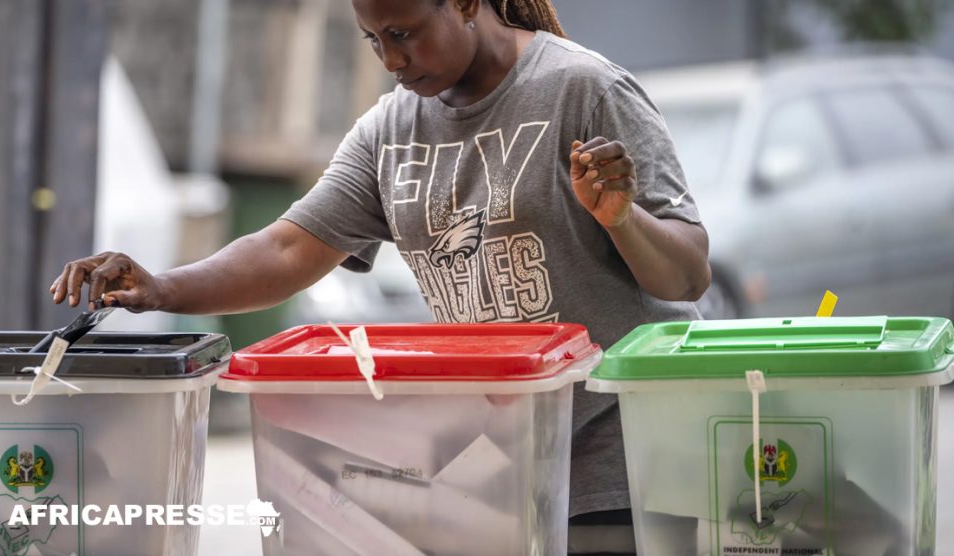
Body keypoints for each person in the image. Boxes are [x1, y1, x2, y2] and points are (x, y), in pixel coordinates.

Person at [51, 0, 710, 553]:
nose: (392, 59)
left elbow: (688, 274)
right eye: (374, 40)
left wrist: (621, 219)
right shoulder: (390, 129)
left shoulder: (583, 89)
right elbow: (287, 249)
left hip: (625, 466)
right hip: (502, 469)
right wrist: (162, 288)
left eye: (403, 33)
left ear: (465, 4)